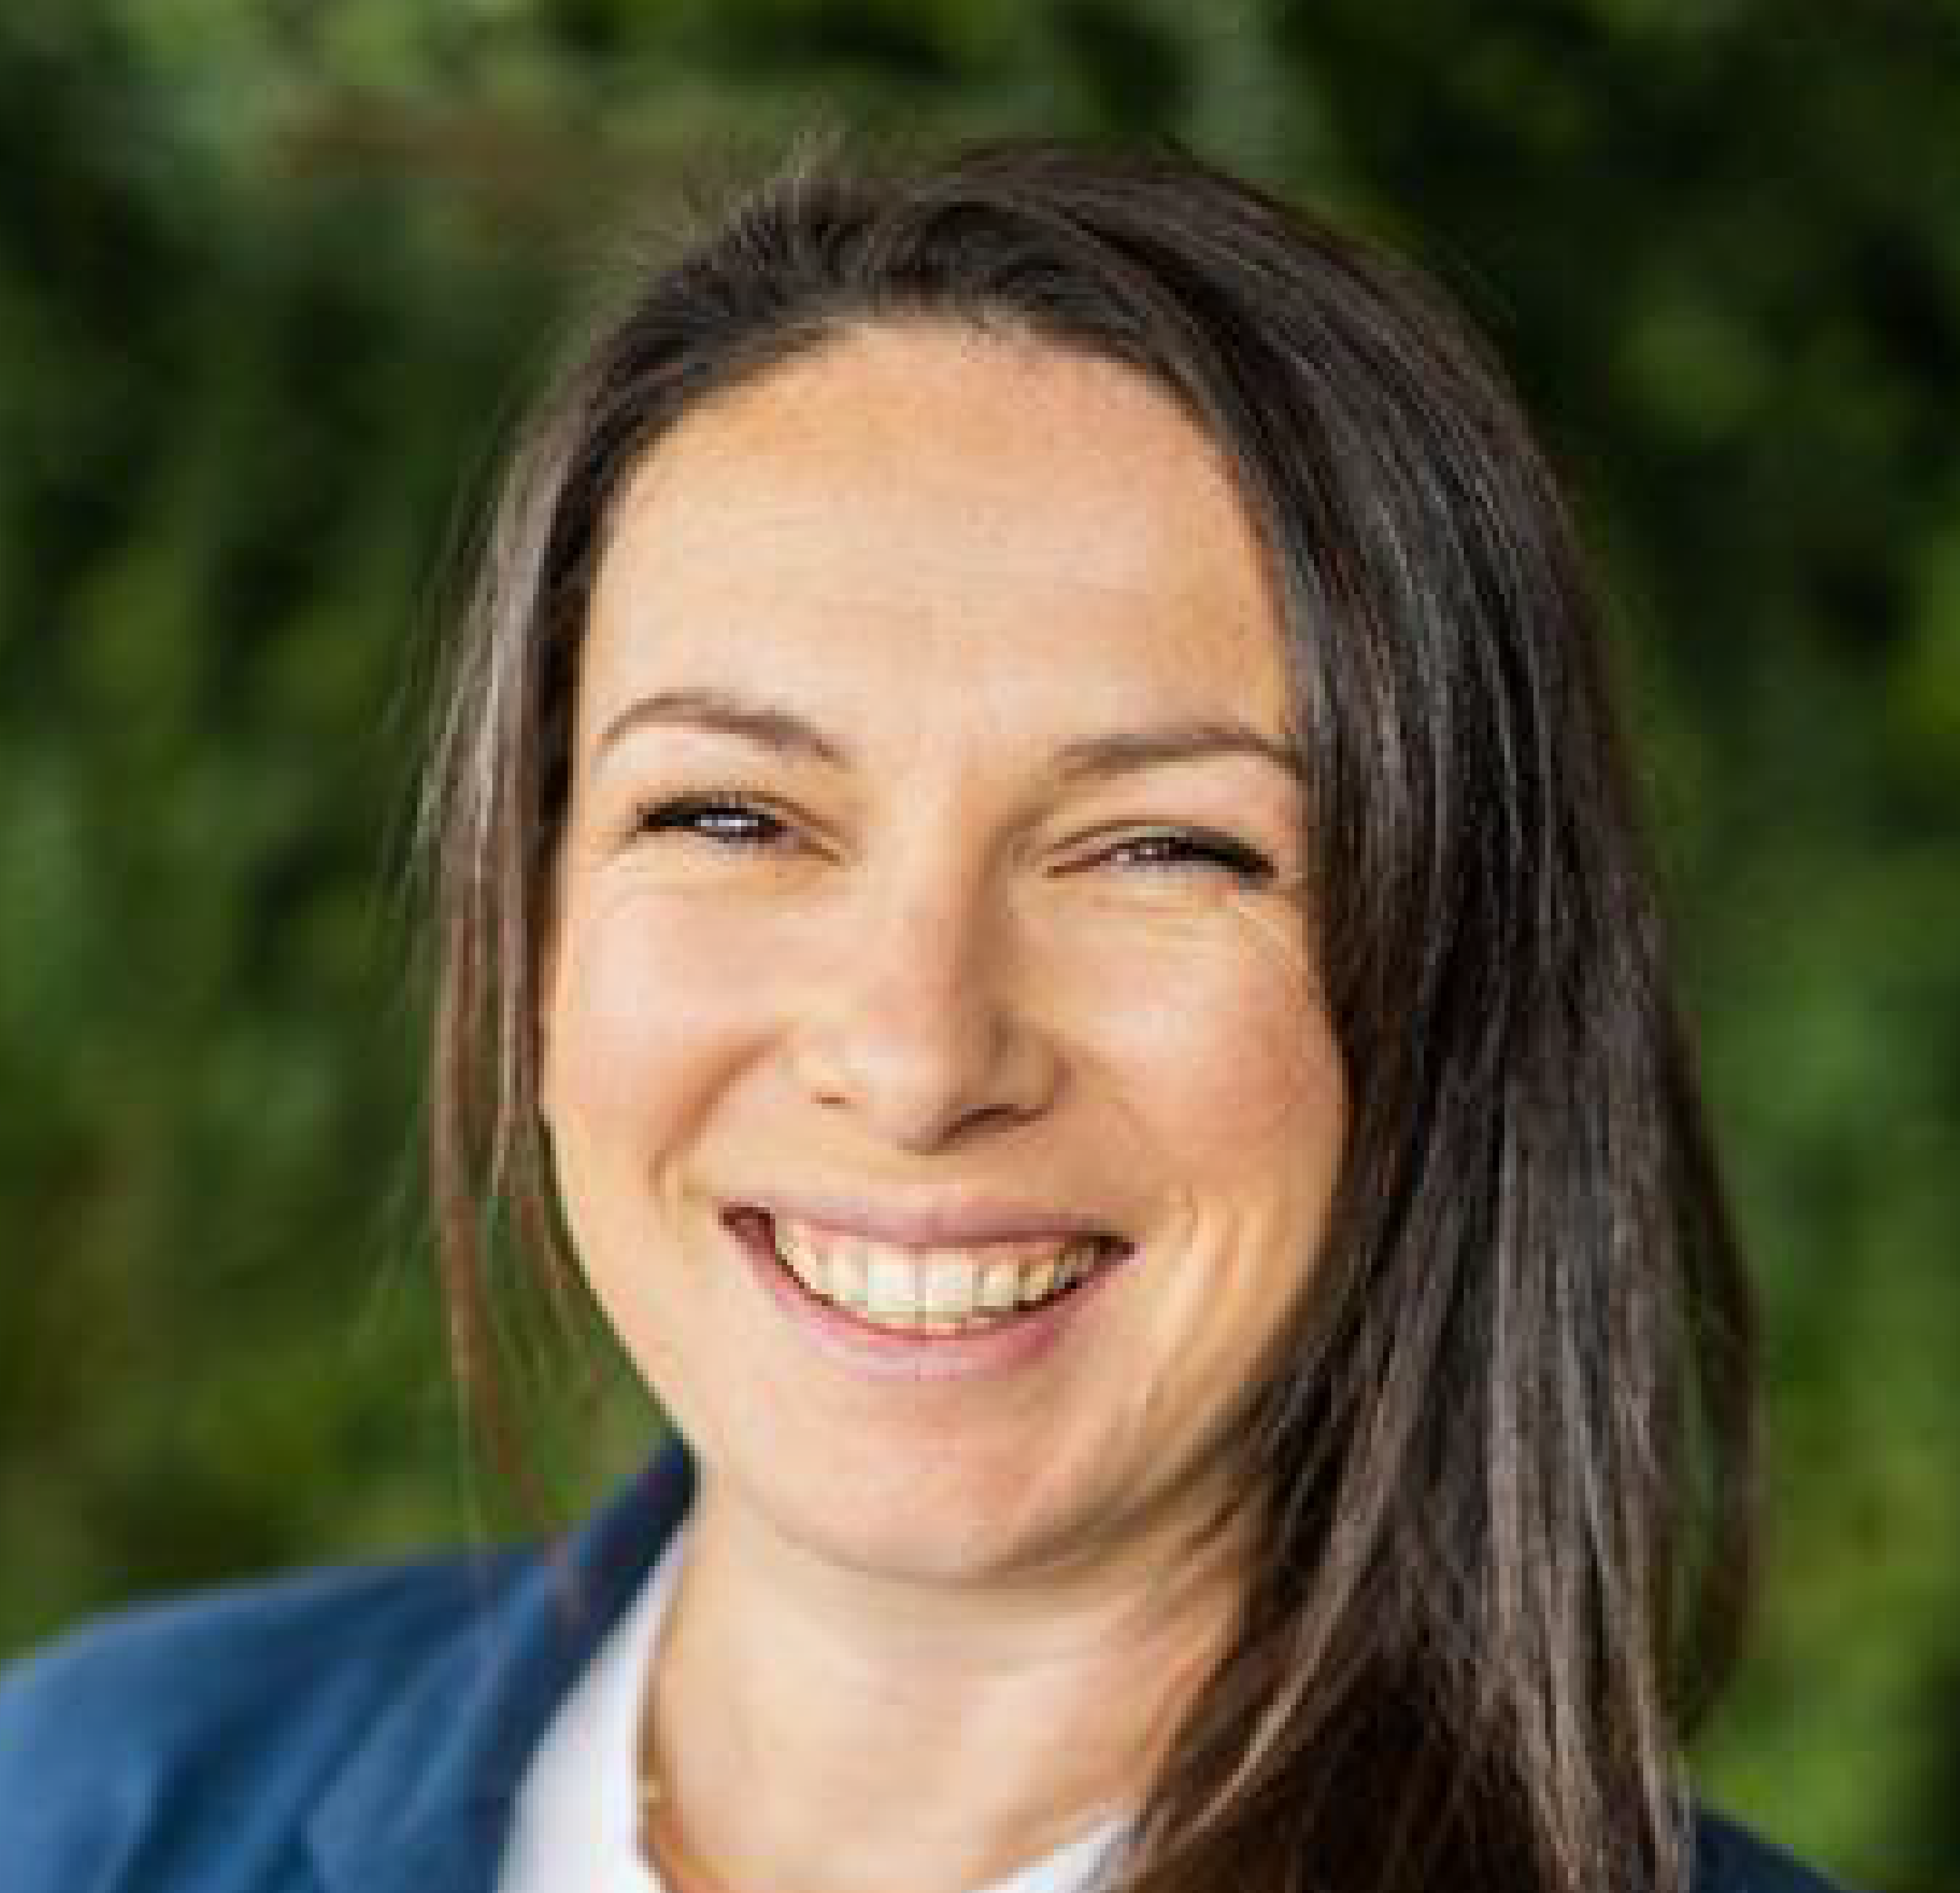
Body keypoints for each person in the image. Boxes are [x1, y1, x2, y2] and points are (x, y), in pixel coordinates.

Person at [0, 139, 1844, 1893]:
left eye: (1160, 847)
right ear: (535, 921)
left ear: (1453, 979)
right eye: (732, 815)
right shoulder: (95, 1796)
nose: (914, 1056)